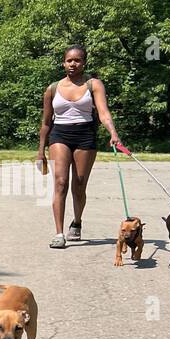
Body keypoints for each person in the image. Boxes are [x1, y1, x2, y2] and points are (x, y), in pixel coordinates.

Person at [37, 45, 124, 248]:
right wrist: (40, 151)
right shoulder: (52, 89)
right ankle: (59, 234)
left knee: (79, 184)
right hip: (59, 135)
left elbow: (103, 113)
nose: (73, 64)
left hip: (85, 135)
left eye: (77, 60)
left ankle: (76, 222)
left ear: (84, 62)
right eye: (69, 60)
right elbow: (46, 122)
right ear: (63, 62)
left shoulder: (93, 84)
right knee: (60, 183)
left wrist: (113, 133)